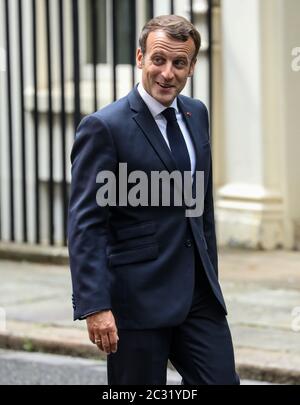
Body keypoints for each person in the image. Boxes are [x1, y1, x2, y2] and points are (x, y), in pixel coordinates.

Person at [68, 15, 239, 385]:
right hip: (137, 299)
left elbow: (200, 205)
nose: (167, 73)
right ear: (140, 57)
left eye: (179, 63)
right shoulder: (104, 127)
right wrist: (95, 305)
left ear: (192, 67)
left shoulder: (196, 115)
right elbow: (86, 224)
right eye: (158, 59)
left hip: (197, 297)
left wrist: (210, 272)